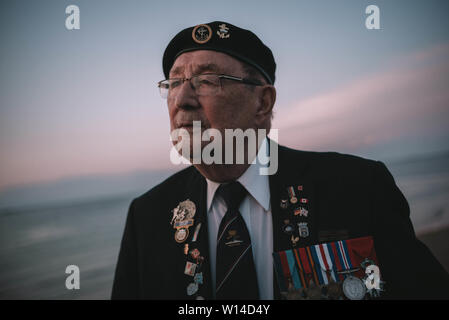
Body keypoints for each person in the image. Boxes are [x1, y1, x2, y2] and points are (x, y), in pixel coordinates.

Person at [111, 21, 449, 300]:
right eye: (174, 82)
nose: (181, 99)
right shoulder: (147, 216)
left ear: (262, 102)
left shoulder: (357, 186)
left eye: (207, 81)